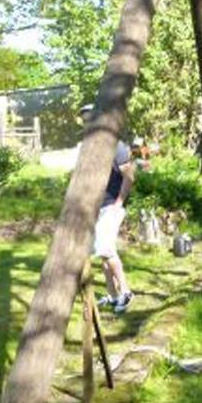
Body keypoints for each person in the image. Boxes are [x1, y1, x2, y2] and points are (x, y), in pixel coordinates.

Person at [80, 105, 137, 314]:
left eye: (90, 119)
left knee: (105, 249)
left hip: (113, 205)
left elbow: (129, 176)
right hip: (98, 206)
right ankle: (113, 296)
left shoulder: (117, 146)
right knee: (103, 252)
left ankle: (126, 292)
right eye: (84, 121)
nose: (87, 124)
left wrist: (119, 202)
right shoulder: (92, 147)